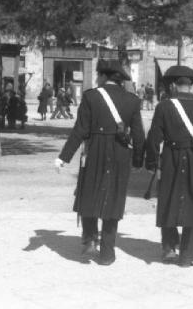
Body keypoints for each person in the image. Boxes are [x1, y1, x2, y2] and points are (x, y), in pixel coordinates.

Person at [55, 60, 145, 265]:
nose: (96, 78)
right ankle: (107, 253)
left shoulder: (91, 96)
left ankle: (89, 241)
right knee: (113, 200)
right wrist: (139, 160)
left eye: (98, 75)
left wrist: (64, 157)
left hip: (94, 151)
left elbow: (80, 130)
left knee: (89, 193)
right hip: (120, 154)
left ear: (103, 76)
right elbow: (138, 134)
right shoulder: (132, 100)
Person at [145, 66, 193, 267]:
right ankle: (187, 255)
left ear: (173, 86)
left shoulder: (164, 106)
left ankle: (169, 249)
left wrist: (151, 163)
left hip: (171, 158)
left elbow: (154, 139)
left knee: (168, 199)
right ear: (191, 86)